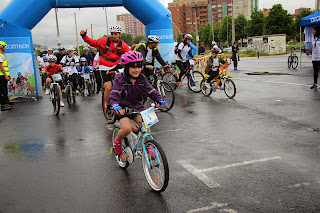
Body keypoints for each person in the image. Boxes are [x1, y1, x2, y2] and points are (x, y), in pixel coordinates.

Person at [109, 51, 166, 155]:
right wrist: (116, 106)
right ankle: (117, 141)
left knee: (146, 127)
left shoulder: (142, 78)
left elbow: (150, 90)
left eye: (139, 67)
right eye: (133, 67)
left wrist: (159, 99)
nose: (137, 70)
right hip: (122, 109)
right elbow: (114, 94)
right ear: (126, 67)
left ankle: (149, 146)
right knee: (126, 129)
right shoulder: (120, 79)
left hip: (137, 107)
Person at [80, 24, 131, 112]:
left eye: (116, 34)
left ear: (120, 34)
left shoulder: (123, 44)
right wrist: (84, 36)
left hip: (115, 64)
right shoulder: (104, 41)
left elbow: (129, 54)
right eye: (112, 34)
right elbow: (92, 42)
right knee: (108, 87)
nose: (114, 36)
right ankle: (108, 105)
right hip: (104, 66)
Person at [0, 41, 12, 111]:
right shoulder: (0, 55)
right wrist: (5, 75)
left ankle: (6, 103)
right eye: (4, 47)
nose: (5, 48)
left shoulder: (2, 55)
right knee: (2, 90)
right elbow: (1, 66)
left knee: (4, 90)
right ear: (1, 47)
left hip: (3, 76)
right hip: (1, 76)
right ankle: (3, 105)